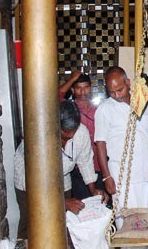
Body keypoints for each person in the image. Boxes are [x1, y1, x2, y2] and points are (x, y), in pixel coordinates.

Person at [13, 100, 108, 241]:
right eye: (64, 136)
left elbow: (85, 161)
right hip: (30, 182)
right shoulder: (37, 137)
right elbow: (38, 183)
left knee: (62, 225)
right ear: (55, 125)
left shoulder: (81, 133)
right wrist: (63, 202)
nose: (68, 139)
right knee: (33, 225)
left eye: (72, 135)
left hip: (62, 178)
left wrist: (93, 190)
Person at [95, 66, 148, 228]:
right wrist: (107, 177)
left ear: (128, 83)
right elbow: (100, 144)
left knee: (146, 224)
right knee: (127, 228)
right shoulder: (105, 109)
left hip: (143, 175)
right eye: (111, 92)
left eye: (119, 90)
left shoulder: (143, 103)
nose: (116, 95)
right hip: (121, 177)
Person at [58, 71, 101, 199]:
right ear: (73, 89)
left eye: (86, 87)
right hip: (75, 167)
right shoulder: (67, 110)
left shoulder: (99, 109)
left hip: (97, 164)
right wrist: (72, 79)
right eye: (78, 88)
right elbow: (54, 97)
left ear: (91, 88)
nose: (83, 92)